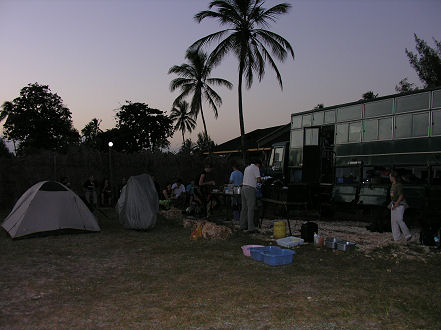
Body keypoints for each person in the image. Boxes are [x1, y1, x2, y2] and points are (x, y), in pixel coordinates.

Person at [389, 170, 412, 242]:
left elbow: (401, 195)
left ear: (393, 177)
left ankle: (407, 234)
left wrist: (397, 203)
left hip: (400, 204)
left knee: (399, 219)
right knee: (393, 221)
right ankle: (396, 237)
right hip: (394, 203)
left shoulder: (399, 185)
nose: (389, 178)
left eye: (390, 176)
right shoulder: (393, 184)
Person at [240, 159, 262, 233]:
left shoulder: (247, 167)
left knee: (244, 208)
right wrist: (263, 180)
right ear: (257, 164)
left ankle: (242, 225)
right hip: (250, 189)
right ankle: (251, 228)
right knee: (251, 208)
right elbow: (258, 180)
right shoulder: (256, 168)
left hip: (243, 188)